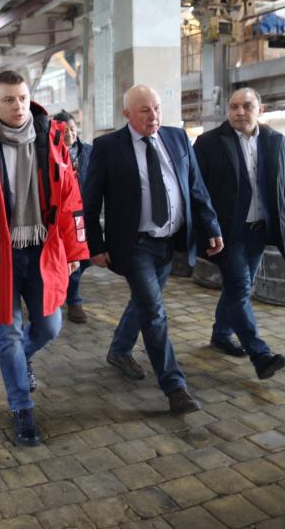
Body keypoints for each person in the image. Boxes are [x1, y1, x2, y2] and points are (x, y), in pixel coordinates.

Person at [0, 70, 89, 446]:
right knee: (8, 333)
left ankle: (22, 359)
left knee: (49, 327)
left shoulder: (53, 141)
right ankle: (21, 409)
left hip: (43, 250)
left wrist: (75, 250)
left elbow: (70, 199)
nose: (18, 106)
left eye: (23, 98)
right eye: (8, 99)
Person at [83, 84, 223, 415]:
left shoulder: (177, 138)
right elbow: (89, 202)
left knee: (144, 302)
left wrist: (212, 226)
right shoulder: (107, 147)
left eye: (157, 108)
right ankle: (174, 386)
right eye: (145, 110)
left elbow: (196, 188)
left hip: (170, 241)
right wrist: (95, 245)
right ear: (127, 113)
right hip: (135, 245)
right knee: (154, 312)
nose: (154, 115)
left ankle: (119, 350)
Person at [193, 87, 285, 380]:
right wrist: (208, 227)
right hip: (228, 233)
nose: (240, 112)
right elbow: (196, 189)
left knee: (239, 287)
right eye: (234, 106)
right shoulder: (209, 143)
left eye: (247, 106)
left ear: (259, 110)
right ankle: (260, 355)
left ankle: (220, 334)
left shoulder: (276, 141)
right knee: (239, 289)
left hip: (259, 231)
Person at [53, 110, 93, 324]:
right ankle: (72, 300)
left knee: (84, 259)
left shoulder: (88, 151)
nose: (69, 134)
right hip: (61, 216)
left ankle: (68, 292)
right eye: (64, 130)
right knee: (69, 256)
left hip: (85, 214)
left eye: (72, 129)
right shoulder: (50, 153)